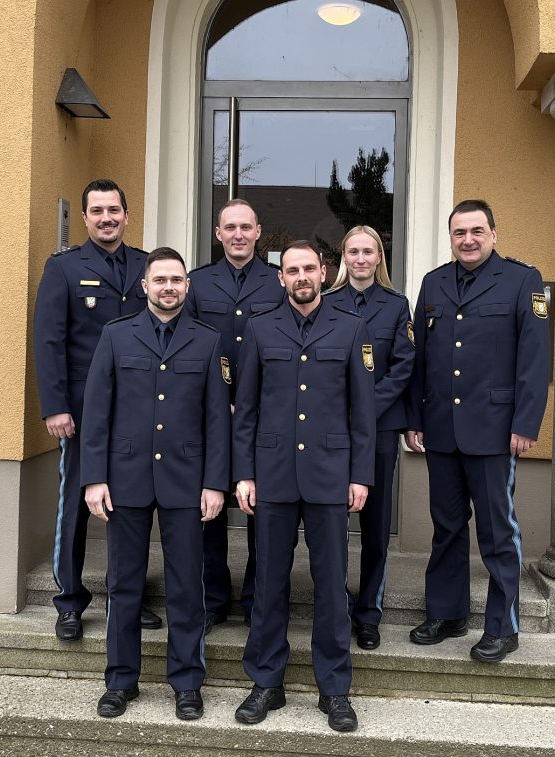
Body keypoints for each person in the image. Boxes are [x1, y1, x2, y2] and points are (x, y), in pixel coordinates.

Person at [232, 240, 375, 732]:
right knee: (269, 582)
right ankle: (266, 682)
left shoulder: (352, 328)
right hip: (271, 474)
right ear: (281, 277)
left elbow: (363, 413)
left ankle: (334, 689)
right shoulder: (258, 329)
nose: (301, 277)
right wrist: (243, 473)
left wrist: (360, 476)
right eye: (291, 270)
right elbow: (245, 411)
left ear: (323, 271)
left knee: (331, 586)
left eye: (308, 268)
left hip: (331, 475)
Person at [81, 247, 230, 720]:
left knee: (187, 586)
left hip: (187, 482)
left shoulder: (208, 341)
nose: (169, 287)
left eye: (177, 280)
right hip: (125, 480)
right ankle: (120, 681)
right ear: (145, 286)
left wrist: (215, 483)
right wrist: (94, 479)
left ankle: (186, 682)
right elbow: (97, 413)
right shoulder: (116, 335)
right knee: (124, 584)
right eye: (160, 279)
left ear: (188, 286)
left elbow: (216, 422)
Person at [405, 199, 550, 664]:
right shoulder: (433, 283)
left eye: (476, 231)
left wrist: (526, 423)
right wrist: (415, 419)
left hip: (495, 430)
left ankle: (502, 626)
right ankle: (447, 613)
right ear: (451, 237)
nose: (467, 239)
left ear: (493, 233)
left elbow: (534, 360)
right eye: (459, 232)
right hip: (442, 429)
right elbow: (421, 361)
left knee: (496, 531)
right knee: (446, 527)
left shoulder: (521, 281)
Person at [34, 179, 162, 642]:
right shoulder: (65, 268)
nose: (107, 218)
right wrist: (55, 407)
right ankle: (69, 601)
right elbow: (49, 341)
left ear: (127, 216)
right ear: (85, 218)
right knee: (77, 507)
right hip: (84, 412)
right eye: (97, 211)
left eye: (114, 210)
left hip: (141, 412)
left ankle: (126, 595)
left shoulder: (148, 266)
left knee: (133, 507)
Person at [185, 199, 284, 633]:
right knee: (210, 510)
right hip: (211, 416)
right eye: (231, 227)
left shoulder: (279, 283)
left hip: (264, 417)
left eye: (246, 226)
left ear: (259, 231)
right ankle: (213, 598)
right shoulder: (197, 283)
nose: (239, 234)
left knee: (261, 508)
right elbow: (186, 346)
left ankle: (257, 598)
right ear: (218, 233)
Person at [323, 226, 414, 650]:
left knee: (375, 525)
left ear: (379, 257)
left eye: (368, 251)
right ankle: (337, 605)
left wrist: (365, 408)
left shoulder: (396, 306)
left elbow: (403, 366)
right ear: (344, 257)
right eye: (353, 251)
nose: (361, 259)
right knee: (333, 523)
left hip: (379, 427)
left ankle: (368, 614)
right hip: (333, 430)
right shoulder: (326, 303)